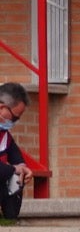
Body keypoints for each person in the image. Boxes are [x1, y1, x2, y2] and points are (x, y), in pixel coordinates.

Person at [0, 83, 32, 220]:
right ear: (2, 108)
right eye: (14, 117)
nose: (15, 122)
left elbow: (17, 158)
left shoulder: (5, 135)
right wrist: (14, 169)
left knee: (17, 175)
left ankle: (10, 217)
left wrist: (24, 170)